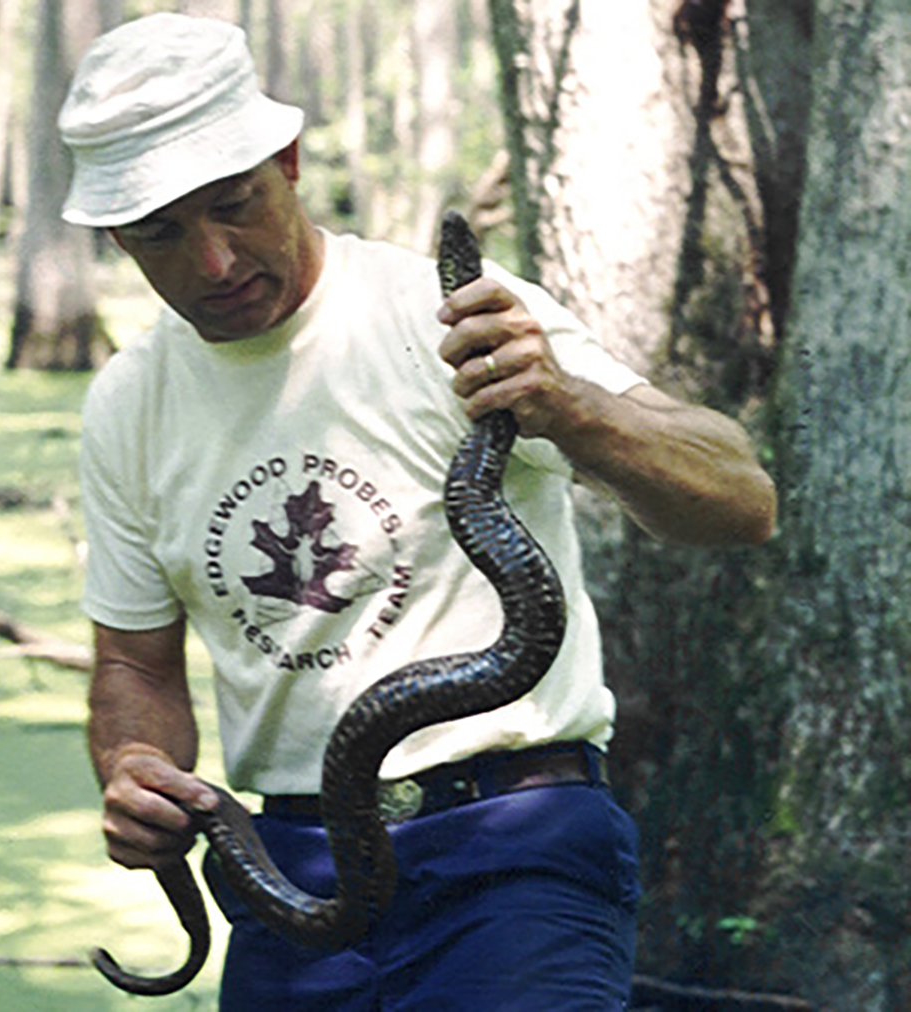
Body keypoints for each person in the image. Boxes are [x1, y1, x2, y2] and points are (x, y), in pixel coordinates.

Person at [59, 13, 777, 1011]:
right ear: (112, 236)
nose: (214, 262)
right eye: (160, 235)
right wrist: (136, 765)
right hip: (294, 869)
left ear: (290, 159)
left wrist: (575, 408)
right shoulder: (131, 402)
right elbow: (135, 662)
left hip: (512, 845)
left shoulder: (452, 327)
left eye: (236, 206)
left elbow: (742, 500)